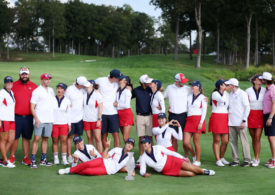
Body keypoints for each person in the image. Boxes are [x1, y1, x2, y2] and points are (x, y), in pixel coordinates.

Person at [139, 137, 215, 177]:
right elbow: (142, 169)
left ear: (150, 144)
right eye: (143, 143)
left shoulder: (158, 147)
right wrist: (143, 174)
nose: (144, 145)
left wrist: (182, 157)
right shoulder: (143, 157)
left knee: (191, 168)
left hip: (172, 161)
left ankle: (204, 171)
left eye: (146, 143)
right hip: (166, 171)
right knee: (190, 174)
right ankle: (198, 170)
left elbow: (171, 153)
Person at [58, 138, 135, 176]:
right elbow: (104, 157)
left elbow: (132, 171)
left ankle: (74, 170)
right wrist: (107, 147)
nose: (129, 145)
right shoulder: (116, 149)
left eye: (131, 145)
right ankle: (68, 170)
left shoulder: (131, 158)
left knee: (88, 172)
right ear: (125, 143)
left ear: (132, 147)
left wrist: (129, 171)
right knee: (87, 164)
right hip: (102, 161)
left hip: (107, 171)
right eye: (128, 143)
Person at [9, 67, 37, 166]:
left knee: (26, 138)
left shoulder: (34, 86)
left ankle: (26, 157)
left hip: (29, 117)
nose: (24, 76)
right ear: (19, 75)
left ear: (29, 75)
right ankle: (12, 156)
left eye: (26, 74)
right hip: (16, 117)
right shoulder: (13, 85)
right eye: (22, 74)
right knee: (14, 138)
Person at [30, 73, 55, 168]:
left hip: (49, 119)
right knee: (36, 139)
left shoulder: (51, 90)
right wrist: (36, 118)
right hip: (39, 119)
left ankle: (43, 160)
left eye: (49, 79)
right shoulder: (37, 91)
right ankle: (33, 160)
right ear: (42, 80)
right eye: (46, 79)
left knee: (46, 139)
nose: (48, 80)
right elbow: (32, 106)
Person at [225, 78, 251, 167]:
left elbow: (247, 108)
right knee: (232, 141)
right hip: (231, 122)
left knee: (244, 141)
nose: (228, 86)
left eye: (229, 85)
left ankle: (247, 160)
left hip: (241, 122)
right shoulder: (229, 94)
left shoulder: (243, 94)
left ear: (232, 85)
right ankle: (235, 160)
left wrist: (244, 120)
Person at [65, 76, 90, 163]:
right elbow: (65, 101)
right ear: (79, 84)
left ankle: (77, 155)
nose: (85, 86)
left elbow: (92, 86)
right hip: (70, 118)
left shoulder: (83, 89)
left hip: (80, 117)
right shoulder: (69, 90)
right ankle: (69, 155)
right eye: (83, 85)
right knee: (70, 137)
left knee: (78, 137)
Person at [164, 73, 190, 152]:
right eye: (182, 81)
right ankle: (175, 156)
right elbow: (162, 97)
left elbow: (197, 93)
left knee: (184, 138)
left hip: (183, 116)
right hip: (172, 115)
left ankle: (186, 156)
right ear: (177, 81)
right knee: (173, 138)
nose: (184, 83)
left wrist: (204, 97)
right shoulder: (169, 88)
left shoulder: (187, 89)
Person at [183, 81, 207, 167]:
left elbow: (204, 111)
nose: (192, 87)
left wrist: (201, 123)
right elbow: (185, 107)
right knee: (186, 142)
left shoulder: (203, 98)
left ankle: (198, 160)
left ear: (198, 87)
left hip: (198, 120)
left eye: (194, 86)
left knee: (196, 142)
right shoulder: (189, 96)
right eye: (191, 86)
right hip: (189, 120)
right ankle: (193, 155)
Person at [95, 69, 121, 148]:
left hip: (113, 113)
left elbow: (128, 84)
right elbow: (90, 84)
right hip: (102, 112)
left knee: (116, 134)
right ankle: (105, 154)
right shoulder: (100, 80)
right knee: (104, 135)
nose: (119, 79)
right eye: (118, 78)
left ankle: (117, 153)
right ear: (114, 77)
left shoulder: (117, 83)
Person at [209, 79, 230, 167]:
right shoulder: (215, 94)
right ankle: (218, 159)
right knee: (217, 140)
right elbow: (222, 100)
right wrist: (226, 91)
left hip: (225, 117)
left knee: (225, 141)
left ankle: (221, 157)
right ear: (220, 86)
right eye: (224, 84)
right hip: (217, 116)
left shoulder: (226, 94)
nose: (226, 86)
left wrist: (226, 91)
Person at [245, 74, 265, 167]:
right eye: (259, 79)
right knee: (253, 137)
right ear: (254, 81)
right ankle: (255, 157)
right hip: (250, 114)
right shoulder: (248, 91)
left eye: (262, 79)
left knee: (257, 137)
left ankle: (256, 158)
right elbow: (245, 104)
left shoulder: (265, 90)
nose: (261, 81)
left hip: (260, 114)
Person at [132, 74, 153, 158]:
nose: (149, 83)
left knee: (150, 137)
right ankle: (141, 156)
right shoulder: (136, 90)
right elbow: (127, 97)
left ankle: (151, 154)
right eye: (147, 82)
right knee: (141, 138)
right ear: (142, 83)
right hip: (140, 116)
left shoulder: (151, 90)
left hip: (149, 116)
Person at [52, 83, 71, 165]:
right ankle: (56, 158)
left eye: (61, 88)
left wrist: (69, 124)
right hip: (54, 123)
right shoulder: (52, 99)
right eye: (58, 88)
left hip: (63, 124)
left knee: (64, 141)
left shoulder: (67, 101)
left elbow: (69, 113)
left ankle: (64, 159)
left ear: (64, 90)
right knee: (55, 141)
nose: (59, 90)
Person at [83, 80, 103, 153]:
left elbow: (101, 107)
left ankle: (100, 156)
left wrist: (99, 119)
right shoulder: (84, 94)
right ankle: (92, 155)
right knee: (89, 138)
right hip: (86, 119)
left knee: (97, 138)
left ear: (92, 85)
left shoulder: (97, 94)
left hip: (95, 120)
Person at [0, 76, 16, 168]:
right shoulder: (2, 93)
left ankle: (2, 159)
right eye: (7, 82)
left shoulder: (11, 92)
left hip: (11, 119)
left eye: (11, 82)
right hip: (3, 119)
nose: (9, 83)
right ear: (4, 83)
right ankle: (5, 161)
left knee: (11, 139)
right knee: (3, 140)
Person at [114, 75, 134, 142]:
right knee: (124, 137)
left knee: (126, 137)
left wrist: (117, 104)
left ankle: (128, 152)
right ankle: (127, 152)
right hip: (119, 114)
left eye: (121, 79)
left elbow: (126, 105)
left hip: (126, 114)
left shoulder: (127, 91)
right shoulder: (118, 91)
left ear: (125, 81)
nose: (119, 80)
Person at [261, 72, 275, 168]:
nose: (261, 80)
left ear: (265, 80)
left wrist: (270, 117)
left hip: (272, 115)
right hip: (267, 115)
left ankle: (274, 160)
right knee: (270, 138)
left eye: (262, 79)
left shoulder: (273, 89)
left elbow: (274, 104)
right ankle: (273, 158)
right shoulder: (267, 89)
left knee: (272, 138)